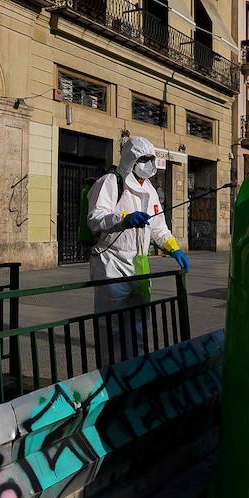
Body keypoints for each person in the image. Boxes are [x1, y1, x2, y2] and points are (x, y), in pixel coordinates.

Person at [86, 135, 188, 362]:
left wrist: (173, 248)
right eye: (144, 158)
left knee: (140, 324)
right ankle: (111, 374)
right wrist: (123, 219)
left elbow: (158, 227)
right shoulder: (110, 182)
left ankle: (137, 373)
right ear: (131, 159)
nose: (149, 163)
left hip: (140, 263)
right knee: (111, 326)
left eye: (152, 158)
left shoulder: (150, 189)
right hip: (112, 262)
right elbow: (95, 218)